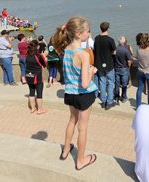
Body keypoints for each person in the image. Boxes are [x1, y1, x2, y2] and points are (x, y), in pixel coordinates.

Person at [52, 16, 98, 170]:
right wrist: (92, 71)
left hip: (69, 93)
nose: (89, 34)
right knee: (82, 128)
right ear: (79, 34)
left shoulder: (66, 50)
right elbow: (85, 84)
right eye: (87, 32)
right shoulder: (83, 54)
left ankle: (65, 150)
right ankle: (80, 160)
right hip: (83, 95)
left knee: (72, 120)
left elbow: (68, 73)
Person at [93, 21, 116, 110]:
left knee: (102, 82)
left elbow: (95, 49)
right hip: (109, 64)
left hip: (99, 64)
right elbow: (114, 51)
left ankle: (103, 101)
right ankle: (109, 102)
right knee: (110, 83)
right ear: (108, 28)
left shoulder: (96, 38)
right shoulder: (110, 40)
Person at [25, 40, 48, 114]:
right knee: (39, 93)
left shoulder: (27, 55)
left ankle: (33, 108)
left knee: (31, 92)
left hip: (29, 75)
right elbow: (44, 64)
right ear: (37, 46)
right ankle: (40, 109)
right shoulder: (38, 56)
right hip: (37, 77)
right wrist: (44, 56)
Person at [114, 36, 133, 104]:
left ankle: (116, 96)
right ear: (124, 42)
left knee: (117, 83)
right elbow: (129, 61)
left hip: (116, 68)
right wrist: (128, 66)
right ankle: (124, 97)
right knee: (124, 84)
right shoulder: (126, 50)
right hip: (124, 68)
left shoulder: (115, 49)